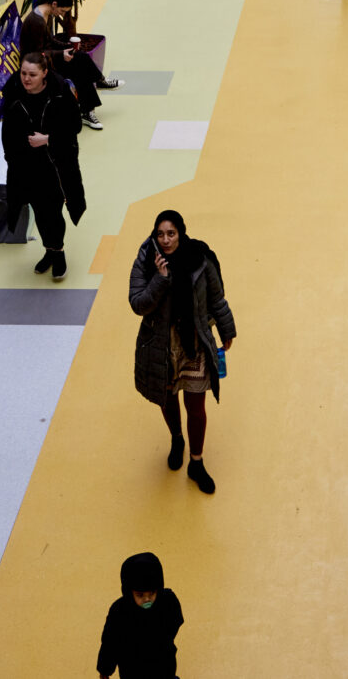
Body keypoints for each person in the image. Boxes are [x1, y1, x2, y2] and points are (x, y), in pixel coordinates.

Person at [129, 209, 236, 495]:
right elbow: (138, 303)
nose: (165, 240)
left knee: (196, 406)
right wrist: (160, 278)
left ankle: (196, 463)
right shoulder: (146, 260)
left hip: (194, 341)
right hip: (161, 344)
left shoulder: (199, 257)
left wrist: (227, 329)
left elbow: (216, 298)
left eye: (171, 233)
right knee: (167, 398)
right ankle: (177, 439)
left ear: (181, 233)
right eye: (160, 234)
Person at [1, 53, 83, 280]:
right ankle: (50, 250)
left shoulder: (60, 93)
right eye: (23, 73)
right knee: (38, 209)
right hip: (26, 165)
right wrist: (11, 159)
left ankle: (58, 252)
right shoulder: (14, 94)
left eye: (32, 74)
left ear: (44, 73)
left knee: (53, 210)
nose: (26, 79)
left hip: (55, 164)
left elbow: (75, 126)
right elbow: (8, 131)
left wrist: (48, 139)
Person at [22, 0, 120, 130]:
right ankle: (95, 92)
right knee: (79, 67)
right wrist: (61, 54)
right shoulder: (36, 22)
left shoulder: (45, 14)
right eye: (62, 11)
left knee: (81, 57)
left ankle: (98, 85)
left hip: (47, 59)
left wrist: (66, 46)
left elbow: (50, 41)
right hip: (37, 65)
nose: (62, 15)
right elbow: (37, 53)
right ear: (54, 4)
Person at [98, 552, 184, 679]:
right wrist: (104, 670)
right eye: (140, 595)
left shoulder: (167, 601)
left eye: (152, 593)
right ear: (129, 591)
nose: (147, 599)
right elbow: (110, 644)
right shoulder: (119, 612)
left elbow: (176, 620)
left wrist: (161, 640)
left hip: (163, 665)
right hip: (132, 669)